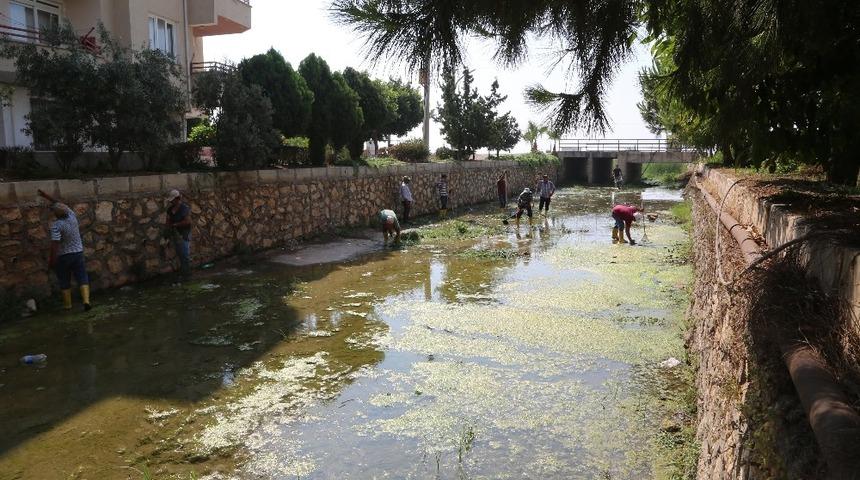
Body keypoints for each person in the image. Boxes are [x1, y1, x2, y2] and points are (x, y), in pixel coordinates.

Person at [37, 189, 91, 311]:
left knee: (64, 280)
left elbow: (55, 244)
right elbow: (58, 202)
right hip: (78, 253)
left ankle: (68, 305)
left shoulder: (56, 225)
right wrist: (46, 195)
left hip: (64, 256)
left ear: (56, 214)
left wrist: (52, 259)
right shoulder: (72, 216)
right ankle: (86, 301)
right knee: (82, 277)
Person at [165, 189, 193, 280]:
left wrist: (176, 224)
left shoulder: (184, 208)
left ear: (177, 198)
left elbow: (188, 221)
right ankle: (184, 272)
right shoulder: (170, 210)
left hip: (184, 234)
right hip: (175, 235)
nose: (172, 202)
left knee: (185, 254)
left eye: (173, 200)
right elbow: (168, 221)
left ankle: (187, 274)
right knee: (180, 254)